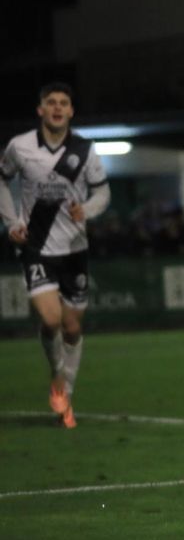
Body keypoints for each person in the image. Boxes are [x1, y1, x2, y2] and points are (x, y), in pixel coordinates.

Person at [0, 83, 110, 429]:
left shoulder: (84, 149)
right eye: (51, 103)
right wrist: (11, 221)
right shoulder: (20, 146)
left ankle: (67, 390)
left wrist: (88, 209)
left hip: (75, 248)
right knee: (51, 321)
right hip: (36, 247)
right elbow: (1, 180)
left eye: (64, 103)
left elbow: (103, 191)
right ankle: (58, 376)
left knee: (73, 326)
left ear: (72, 111)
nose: (58, 108)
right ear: (40, 110)